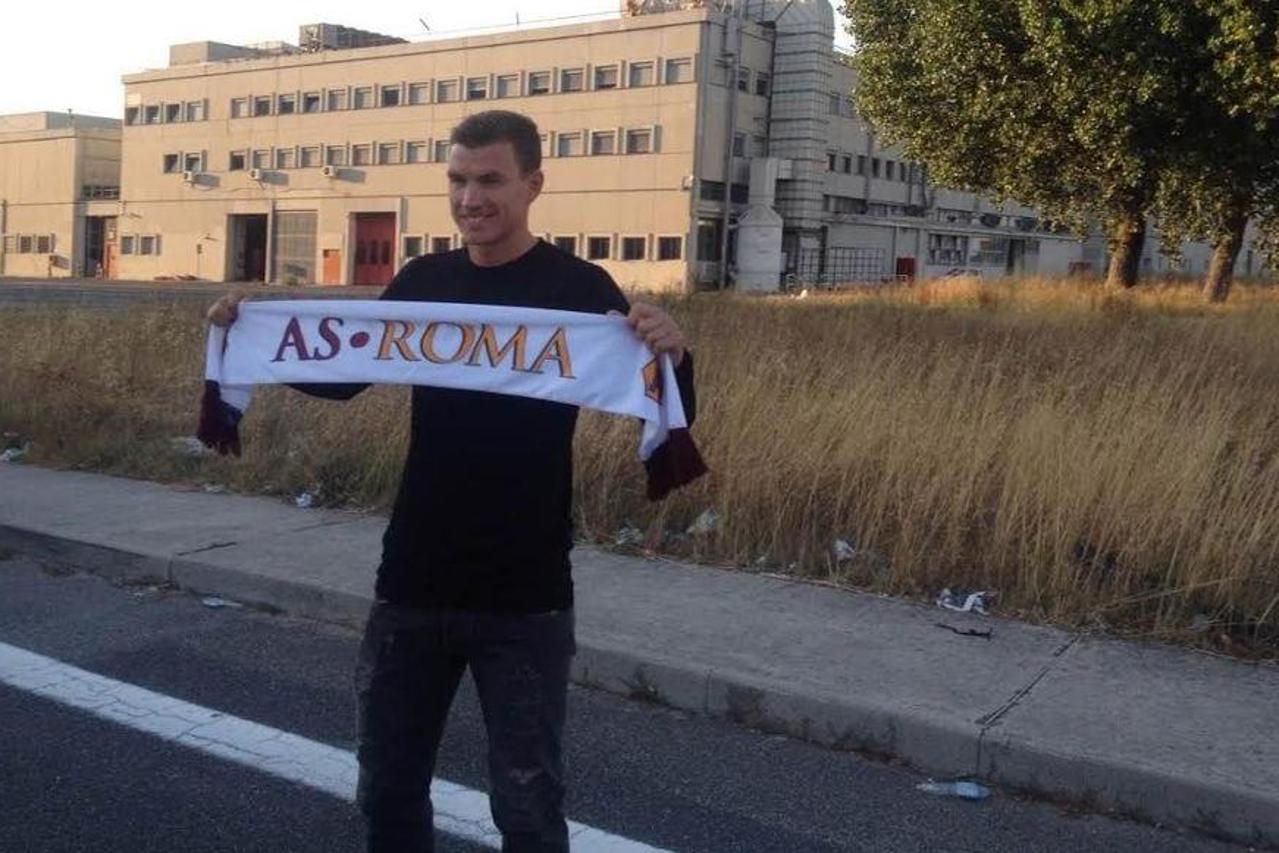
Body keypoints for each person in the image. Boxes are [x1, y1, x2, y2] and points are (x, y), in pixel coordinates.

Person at [206, 109, 696, 853]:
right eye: (458, 180)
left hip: (525, 591)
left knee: (528, 806)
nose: (471, 199)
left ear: (533, 184)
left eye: (490, 180)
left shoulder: (579, 287)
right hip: (413, 578)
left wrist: (675, 355)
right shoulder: (424, 281)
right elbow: (348, 374)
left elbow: (656, 398)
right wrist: (246, 331)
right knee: (387, 788)